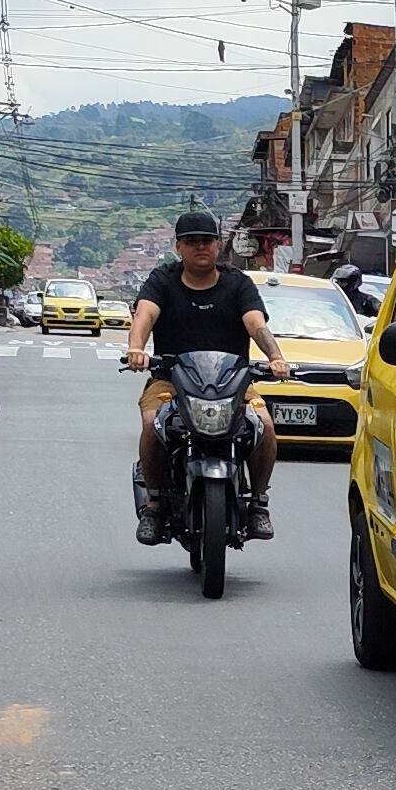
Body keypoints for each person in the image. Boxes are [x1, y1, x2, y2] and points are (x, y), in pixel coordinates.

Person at [113, 209, 285, 543]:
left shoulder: (238, 283)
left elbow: (255, 323)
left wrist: (275, 357)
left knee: (265, 426)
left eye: (206, 241)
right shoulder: (162, 279)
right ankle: (155, 504)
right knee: (153, 424)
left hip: (233, 383)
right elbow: (144, 315)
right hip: (169, 380)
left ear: (218, 245)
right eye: (192, 242)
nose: (200, 248)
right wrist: (136, 348)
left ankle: (258, 502)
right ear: (179, 246)